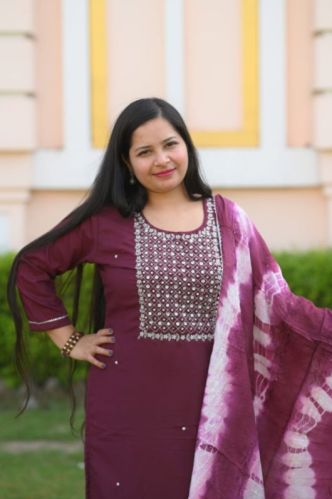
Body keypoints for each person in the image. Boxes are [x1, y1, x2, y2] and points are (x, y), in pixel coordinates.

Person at [7, 97, 332, 499]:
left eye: (170, 144)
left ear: (186, 147)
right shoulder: (105, 224)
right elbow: (32, 267)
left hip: (212, 405)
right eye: (144, 151)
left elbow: (279, 305)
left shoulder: (229, 221)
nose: (162, 159)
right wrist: (70, 341)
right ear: (126, 163)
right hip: (128, 406)